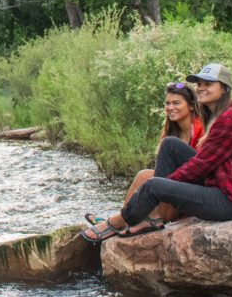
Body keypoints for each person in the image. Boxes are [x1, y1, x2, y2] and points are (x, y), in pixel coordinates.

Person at [81, 63, 232, 241]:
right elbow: (202, 162)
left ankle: (119, 221)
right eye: (199, 83)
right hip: (222, 186)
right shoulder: (219, 114)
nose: (201, 88)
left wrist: (163, 186)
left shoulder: (230, 119)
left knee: (153, 185)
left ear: (224, 88)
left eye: (208, 84)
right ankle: (154, 216)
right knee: (169, 145)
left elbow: (201, 166)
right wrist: (164, 186)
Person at [83, 80, 203, 234]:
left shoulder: (202, 130)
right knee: (144, 175)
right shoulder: (171, 132)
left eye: (177, 103)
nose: (170, 108)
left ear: (191, 105)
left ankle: (118, 223)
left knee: (152, 179)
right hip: (174, 189)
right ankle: (121, 220)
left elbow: (200, 170)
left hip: (191, 193)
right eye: (167, 103)